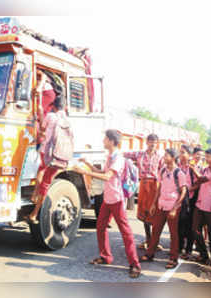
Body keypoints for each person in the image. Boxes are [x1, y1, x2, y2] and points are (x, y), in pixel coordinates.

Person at [74, 130, 141, 278]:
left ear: (111, 141)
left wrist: (84, 172)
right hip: (108, 198)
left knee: (126, 232)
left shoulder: (118, 158)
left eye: (105, 138)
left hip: (116, 199)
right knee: (100, 226)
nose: (103, 140)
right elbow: (101, 172)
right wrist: (87, 164)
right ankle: (106, 257)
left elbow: (106, 176)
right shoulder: (110, 156)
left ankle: (135, 264)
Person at [139, 148, 187, 269]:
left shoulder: (179, 173)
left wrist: (175, 208)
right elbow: (159, 188)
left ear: (173, 157)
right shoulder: (163, 171)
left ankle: (173, 258)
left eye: (166, 155)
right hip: (161, 205)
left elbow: (183, 192)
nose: (164, 158)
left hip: (172, 207)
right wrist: (154, 204)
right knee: (156, 230)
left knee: (173, 234)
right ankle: (150, 254)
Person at [26, 95, 68, 224]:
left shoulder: (51, 116)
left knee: (41, 171)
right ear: (64, 107)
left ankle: (34, 195)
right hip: (61, 155)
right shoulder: (67, 120)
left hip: (48, 152)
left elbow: (42, 129)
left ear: (54, 106)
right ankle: (34, 214)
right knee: (47, 183)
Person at [124, 133, 163, 250]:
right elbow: (124, 154)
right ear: (147, 142)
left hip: (154, 185)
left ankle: (155, 241)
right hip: (143, 184)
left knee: (154, 212)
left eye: (155, 142)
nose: (152, 144)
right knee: (144, 212)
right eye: (151, 142)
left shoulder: (160, 157)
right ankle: (148, 239)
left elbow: (163, 172)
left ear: (158, 144)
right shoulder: (139, 154)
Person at [190, 148, 211, 268]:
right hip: (200, 203)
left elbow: (202, 179)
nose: (206, 159)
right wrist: (188, 189)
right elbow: (198, 183)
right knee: (195, 230)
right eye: (205, 157)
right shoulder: (205, 169)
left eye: (209, 157)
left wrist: (193, 170)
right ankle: (204, 254)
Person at [178, 144, 196, 260]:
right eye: (180, 152)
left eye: (183, 152)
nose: (180, 154)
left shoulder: (192, 167)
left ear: (189, 155)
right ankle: (179, 248)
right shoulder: (178, 166)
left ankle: (188, 250)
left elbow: (199, 182)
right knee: (179, 224)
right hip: (180, 198)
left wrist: (189, 189)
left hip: (190, 199)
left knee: (190, 225)